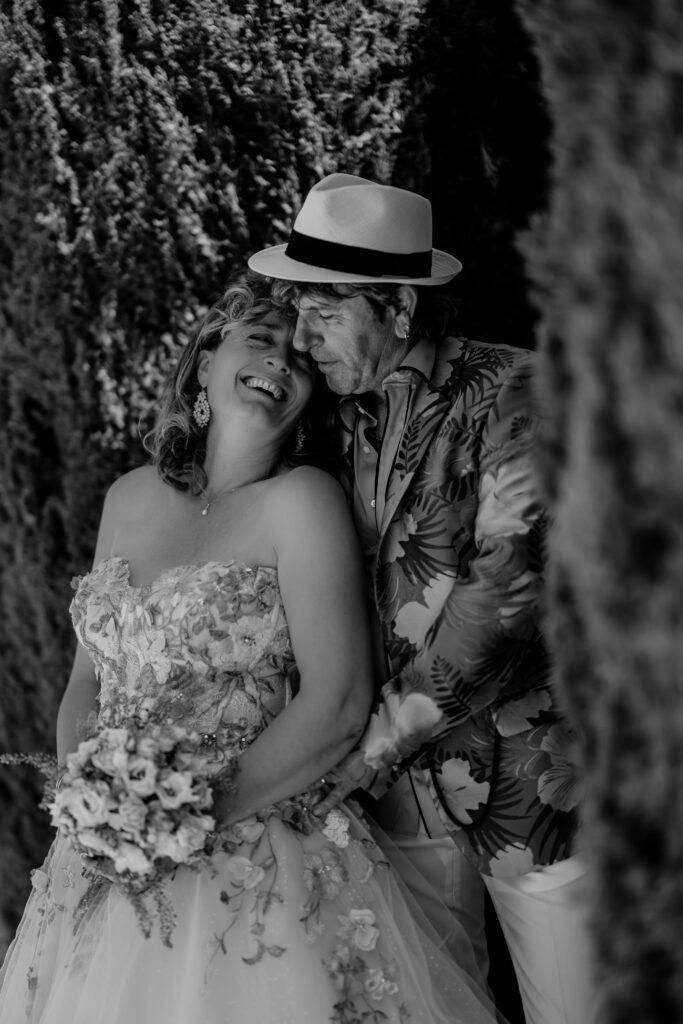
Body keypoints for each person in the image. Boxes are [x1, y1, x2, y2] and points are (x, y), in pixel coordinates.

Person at [0, 274, 503, 1024]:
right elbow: (88, 682)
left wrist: (189, 816)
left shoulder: (302, 501)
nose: (280, 359)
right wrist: (90, 809)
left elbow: (337, 702)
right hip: (107, 854)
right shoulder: (127, 497)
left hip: (254, 849)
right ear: (204, 363)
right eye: (260, 339)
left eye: (299, 358)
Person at [248, 173, 598, 1024]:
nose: (303, 338)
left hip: (538, 793)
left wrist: (370, 747)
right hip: (392, 814)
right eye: (297, 311)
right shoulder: (329, 417)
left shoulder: (520, 392)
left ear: (400, 307)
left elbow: (508, 597)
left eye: (325, 312)